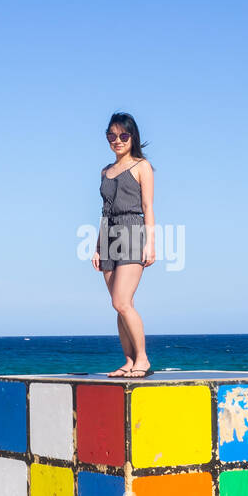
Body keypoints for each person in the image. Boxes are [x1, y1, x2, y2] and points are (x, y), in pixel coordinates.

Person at [91, 112, 155, 376]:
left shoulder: (142, 166)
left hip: (132, 230)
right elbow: (104, 211)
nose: (117, 140)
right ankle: (128, 361)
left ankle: (143, 359)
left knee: (122, 302)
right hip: (108, 234)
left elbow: (148, 207)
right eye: (112, 136)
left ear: (132, 137)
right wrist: (97, 246)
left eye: (123, 135)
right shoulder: (105, 171)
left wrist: (150, 244)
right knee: (117, 305)